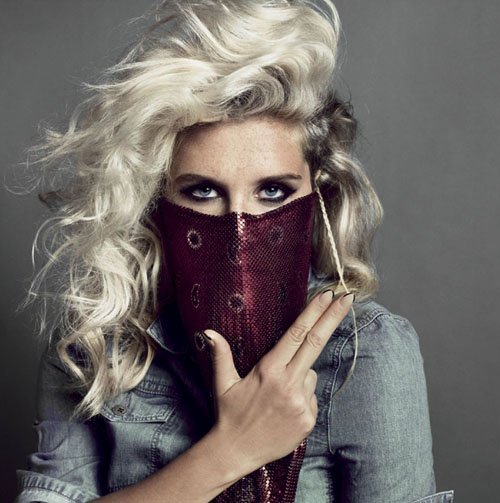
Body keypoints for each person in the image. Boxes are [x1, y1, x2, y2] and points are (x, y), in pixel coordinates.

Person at [15, 1, 455, 502]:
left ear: (318, 194)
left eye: (273, 191)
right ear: (158, 201)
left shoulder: (367, 352)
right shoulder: (96, 348)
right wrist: (233, 452)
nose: (239, 227)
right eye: (202, 191)